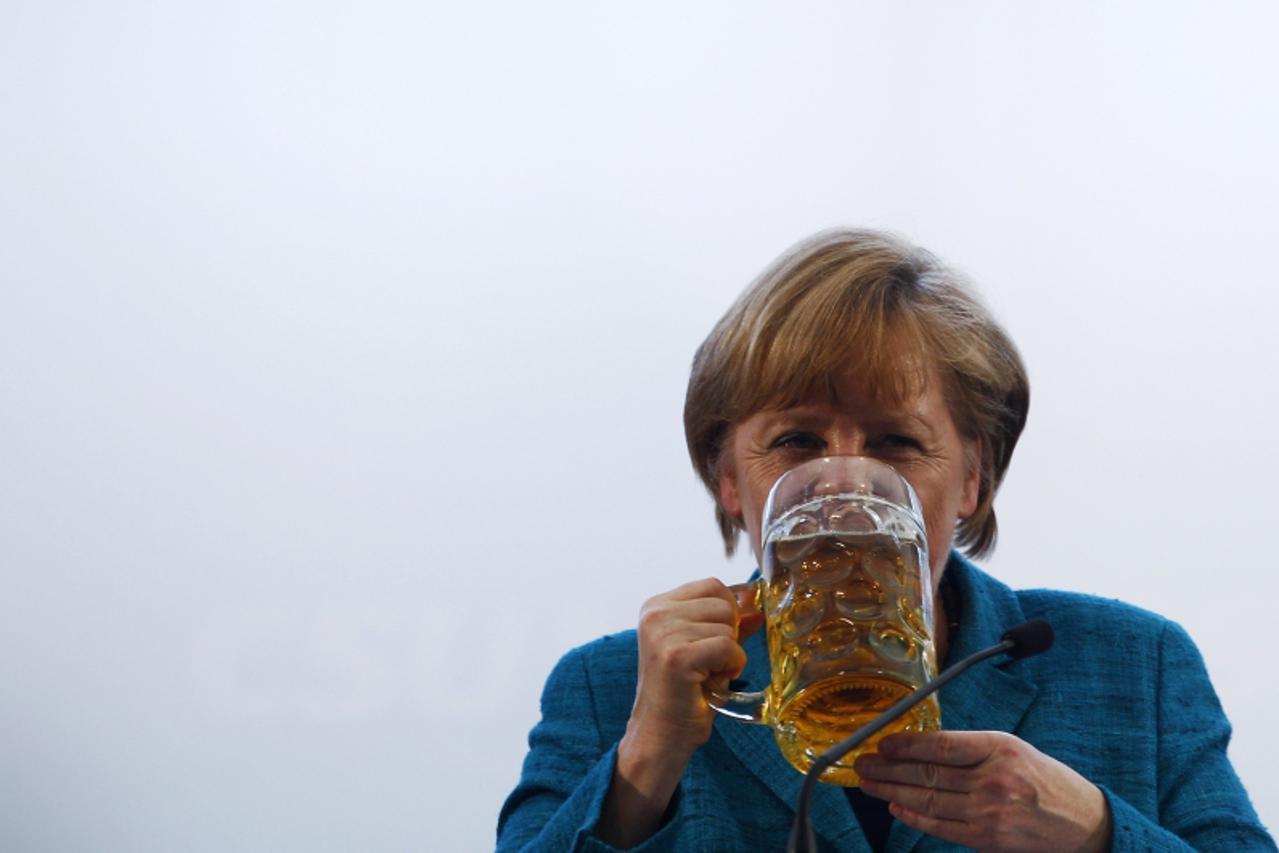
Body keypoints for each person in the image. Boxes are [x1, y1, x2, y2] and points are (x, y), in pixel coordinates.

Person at [496, 229, 1275, 851]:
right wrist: (645, 759)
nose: (844, 481)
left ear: (971, 476)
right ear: (729, 479)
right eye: (797, 439)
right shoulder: (610, 689)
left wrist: (1097, 833)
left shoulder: (1133, 665)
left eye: (895, 442)